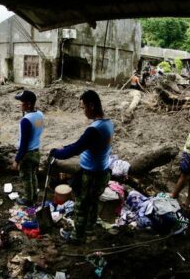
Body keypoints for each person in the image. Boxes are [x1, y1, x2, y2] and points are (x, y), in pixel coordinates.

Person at [50, 90, 114, 244]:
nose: (83, 112)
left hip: (91, 175)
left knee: (81, 205)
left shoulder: (94, 130)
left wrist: (55, 153)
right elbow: (81, 144)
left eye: (83, 107)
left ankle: (77, 237)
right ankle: (89, 227)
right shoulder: (108, 123)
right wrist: (64, 147)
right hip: (102, 171)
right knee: (92, 202)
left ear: (91, 106)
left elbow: (75, 150)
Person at [12, 90, 44, 206]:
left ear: (29, 104)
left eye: (22, 102)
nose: (20, 104)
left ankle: (28, 199)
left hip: (27, 153)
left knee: (26, 177)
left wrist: (17, 159)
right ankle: (34, 195)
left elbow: (24, 143)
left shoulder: (25, 120)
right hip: (36, 151)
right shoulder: (40, 114)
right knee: (33, 175)